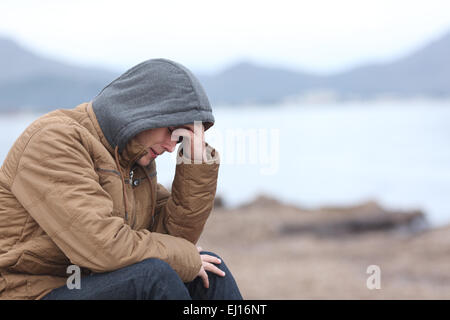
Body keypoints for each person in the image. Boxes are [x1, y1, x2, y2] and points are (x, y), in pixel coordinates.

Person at [0, 58, 242, 300]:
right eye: (172, 131)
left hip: (91, 283)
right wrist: (187, 258)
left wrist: (195, 160)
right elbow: (103, 247)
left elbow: (172, 242)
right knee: (155, 277)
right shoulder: (54, 141)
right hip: (30, 293)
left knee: (211, 274)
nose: (171, 147)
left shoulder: (133, 162)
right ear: (144, 110)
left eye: (181, 139)